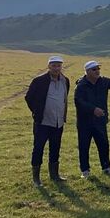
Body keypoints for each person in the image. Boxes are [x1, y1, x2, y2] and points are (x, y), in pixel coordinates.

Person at [24, 55, 70, 187]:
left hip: (58, 122)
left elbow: (64, 99)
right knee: (38, 148)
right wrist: (37, 111)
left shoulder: (65, 81)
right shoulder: (39, 81)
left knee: (55, 148)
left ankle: (54, 175)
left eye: (59, 65)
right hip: (42, 122)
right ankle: (36, 178)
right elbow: (29, 97)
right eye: (54, 65)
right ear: (48, 66)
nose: (56, 68)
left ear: (61, 66)